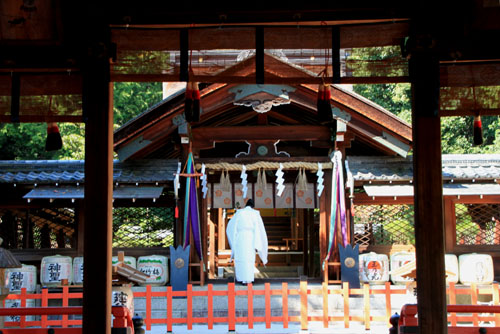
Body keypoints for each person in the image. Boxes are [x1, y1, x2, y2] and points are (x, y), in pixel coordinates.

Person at [226, 199, 268, 284]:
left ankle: (241, 279)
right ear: (253, 206)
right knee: (249, 258)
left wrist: (234, 237)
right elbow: (260, 229)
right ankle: (249, 279)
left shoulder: (239, 213)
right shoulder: (255, 213)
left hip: (240, 237)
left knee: (240, 257)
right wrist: (258, 242)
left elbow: (230, 226)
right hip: (250, 237)